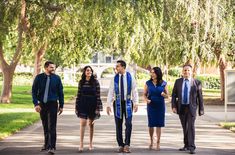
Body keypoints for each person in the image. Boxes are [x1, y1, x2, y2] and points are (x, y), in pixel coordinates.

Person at [107, 60, 139, 153]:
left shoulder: (130, 77)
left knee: (128, 124)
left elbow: (134, 90)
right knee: (118, 125)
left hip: (128, 103)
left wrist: (136, 103)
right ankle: (120, 145)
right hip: (117, 104)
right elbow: (111, 91)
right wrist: (108, 105)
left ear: (123, 67)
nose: (116, 68)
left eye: (118, 66)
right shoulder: (114, 78)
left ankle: (127, 144)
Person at [32, 61, 64, 154]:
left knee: (52, 126)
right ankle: (46, 145)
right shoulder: (39, 78)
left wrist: (61, 105)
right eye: (51, 67)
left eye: (53, 67)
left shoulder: (57, 78)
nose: (53, 69)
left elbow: (60, 92)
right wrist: (36, 104)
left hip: (53, 104)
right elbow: (34, 91)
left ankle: (52, 147)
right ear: (46, 68)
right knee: (45, 125)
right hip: (42, 104)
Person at [171, 64, 204, 154]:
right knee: (184, 127)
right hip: (181, 107)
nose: (186, 72)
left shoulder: (197, 82)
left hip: (191, 108)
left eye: (188, 70)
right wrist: (173, 106)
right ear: (182, 72)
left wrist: (201, 109)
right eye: (185, 70)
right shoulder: (178, 82)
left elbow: (200, 97)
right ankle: (186, 145)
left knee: (191, 126)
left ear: (191, 71)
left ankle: (192, 147)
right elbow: (174, 95)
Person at [75, 66, 103, 152]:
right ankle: (81, 143)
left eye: (90, 70)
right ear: (84, 72)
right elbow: (78, 94)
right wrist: (76, 106)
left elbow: (98, 95)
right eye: (87, 70)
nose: (89, 72)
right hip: (83, 103)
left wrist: (97, 108)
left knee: (91, 124)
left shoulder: (95, 82)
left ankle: (90, 143)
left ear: (92, 72)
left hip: (93, 104)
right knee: (83, 122)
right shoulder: (81, 82)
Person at [143, 67, 169, 151]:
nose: (152, 74)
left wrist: (164, 94)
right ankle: (151, 141)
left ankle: (158, 143)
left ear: (158, 73)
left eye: (154, 72)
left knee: (159, 125)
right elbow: (144, 94)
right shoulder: (148, 83)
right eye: (151, 72)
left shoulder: (164, 83)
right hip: (151, 105)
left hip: (160, 106)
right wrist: (146, 100)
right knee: (151, 124)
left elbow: (168, 95)